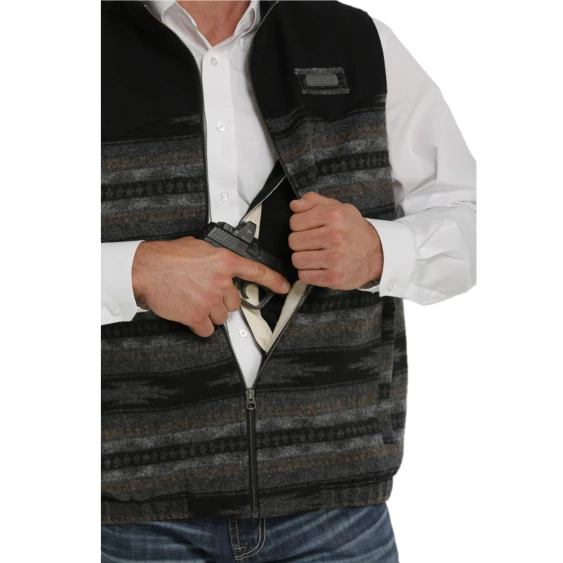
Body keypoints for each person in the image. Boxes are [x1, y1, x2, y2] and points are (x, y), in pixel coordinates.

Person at [101, 0, 476, 560]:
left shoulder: (356, 42)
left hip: (337, 515)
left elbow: (477, 219)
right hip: (129, 520)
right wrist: (130, 272)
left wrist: (379, 251)